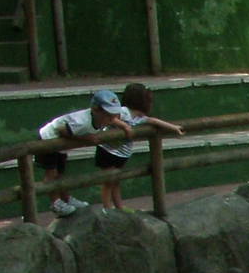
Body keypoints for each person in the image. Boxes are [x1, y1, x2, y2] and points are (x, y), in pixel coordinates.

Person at [37, 89, 133, 217]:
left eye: (114, 115)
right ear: (95, 109)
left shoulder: (102, 119)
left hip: (61, 147)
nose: (112, 119)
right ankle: (55, 203)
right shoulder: (82, 121)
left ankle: (66, 199)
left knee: (60, 173)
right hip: (48, 140)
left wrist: (124, 126)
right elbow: (62, 130)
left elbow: (112, 120)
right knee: (52, 173)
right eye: (108, 115)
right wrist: (85, 139)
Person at [98, 82, 183, 210]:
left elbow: (154, 121)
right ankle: (107, 207)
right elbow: (111, 118)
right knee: (109, 181)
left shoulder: (139, 118)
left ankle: (119, 206)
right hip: (108, 151)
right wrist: (125, 126)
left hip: (121, 153)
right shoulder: (123, 112)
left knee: (116, 181)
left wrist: (174, 128)